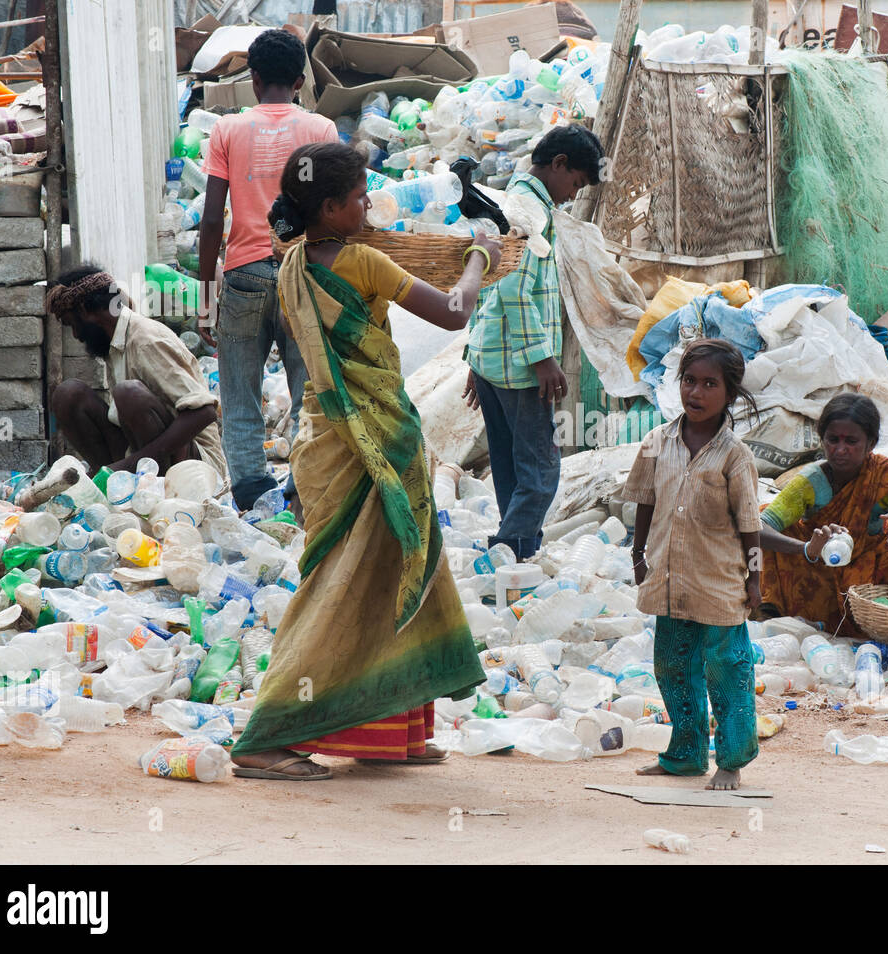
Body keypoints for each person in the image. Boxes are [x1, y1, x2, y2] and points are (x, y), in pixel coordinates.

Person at [231, 142, 499, 779]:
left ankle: (390, 729)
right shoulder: (362, 263)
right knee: (340, 587)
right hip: (369, 444)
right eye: (358, 198)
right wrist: (480, 257)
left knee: (397, 567)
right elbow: (455, 312)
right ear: (329, 207)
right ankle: (268, 736)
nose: (368, 204)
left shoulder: (290, 260)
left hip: (325, 441)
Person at [199, 27, 338, 511]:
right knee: (310, 393)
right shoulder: (320, 130)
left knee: (240, 398)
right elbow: (333, 211)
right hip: (304, 274)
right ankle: (303, 492)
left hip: (244, 273)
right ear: (300, 81)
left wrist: (204, 295)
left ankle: (252, 499)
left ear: (254, 81)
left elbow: (212, 218)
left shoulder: (227, 130)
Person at [621, 339, 762, 792]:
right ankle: (684, 754)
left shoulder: (735, 456)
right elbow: (644, 501)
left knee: (727, 672)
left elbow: (750, 526)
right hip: (669, 580)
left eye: (709, 384)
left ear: (730, 393)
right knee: (673, 669)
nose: (695, 393)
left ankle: (732, 760)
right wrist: (638, 553)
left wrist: (756, 579)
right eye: (688, 381)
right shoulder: (656, 443)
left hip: (718, 585)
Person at [462, 123, 604, 560]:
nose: (572, 194)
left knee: (509, 465)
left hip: (494, 361)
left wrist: (475, 356)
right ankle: (507, 548)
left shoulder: (512, 202)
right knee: (542, 468)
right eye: (575, 183)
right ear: (559, 165)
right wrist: (543, 358)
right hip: (520, 368)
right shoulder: (529, 211)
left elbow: (485, 283)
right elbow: (510, 288)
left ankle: (517, 553)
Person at [757, 393, 888, 636]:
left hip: (869, 581)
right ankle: (778, 611)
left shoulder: (883, 475)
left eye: (851, 441)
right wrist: (807, 548)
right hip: (821, 572)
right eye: (833, 440)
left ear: (870, 443)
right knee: (769, 519)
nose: (840, 450)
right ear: (822, 440)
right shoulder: (810, 482)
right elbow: (757, 528)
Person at [46, 265, 228, 481]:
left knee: (128, 393)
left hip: (196, 468)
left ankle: (146, 484)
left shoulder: (145, 340)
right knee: (68, 395)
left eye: (73, 324)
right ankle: (112, 485)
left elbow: (204, 412)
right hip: (145, 455)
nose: (76, 335)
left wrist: (131, 463)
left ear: (85, 311)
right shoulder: (113, 343)